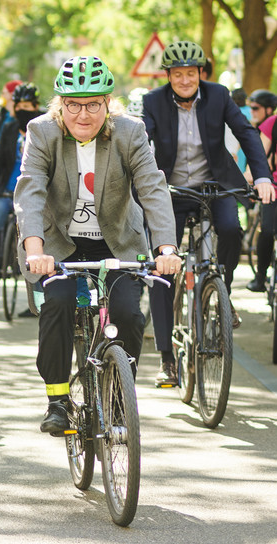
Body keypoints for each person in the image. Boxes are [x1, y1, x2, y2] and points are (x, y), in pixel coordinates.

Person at [15, 56, 181, 434]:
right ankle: (57, 399)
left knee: (129, 315)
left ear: (108, 103)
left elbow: (152, 188)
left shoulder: (129, 132)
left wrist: (166, 248)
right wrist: (35, 250)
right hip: (58, 243)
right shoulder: (42, 132)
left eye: (93, 103)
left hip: (117, 241)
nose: (84, 114)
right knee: (56, 305)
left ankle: (120, 392)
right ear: (61, 105)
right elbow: (31, 191)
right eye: (74, 104)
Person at [142, 40, 276, 386]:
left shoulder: (218, 96)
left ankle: (222, 292)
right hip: (169, 191)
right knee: (162, 267)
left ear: (201, 73)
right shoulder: (153, 102)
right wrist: (138, 186)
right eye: (177, 74)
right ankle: (167, 358)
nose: (185, 80)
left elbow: (246, 133)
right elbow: (143, 145)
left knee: (231, 230)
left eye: (191, 73)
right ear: (168, 75)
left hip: (213, 185)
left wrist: (261, 175)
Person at [0, 83, 42, 298]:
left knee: (42, 245)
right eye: (18, 105)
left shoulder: (44, 127)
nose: (22, 109)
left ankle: (39, 297)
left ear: (36, 106)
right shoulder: (9, 127)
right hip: (4, 193)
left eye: (27, 105)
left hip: (33, 198)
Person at [247, 89, 277, 293]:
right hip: (273, 188)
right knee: (267, 230)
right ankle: (261, 276)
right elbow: (258, 158)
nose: (252, 112)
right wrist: (247, 181)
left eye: (255, 108)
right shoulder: (272, 123)